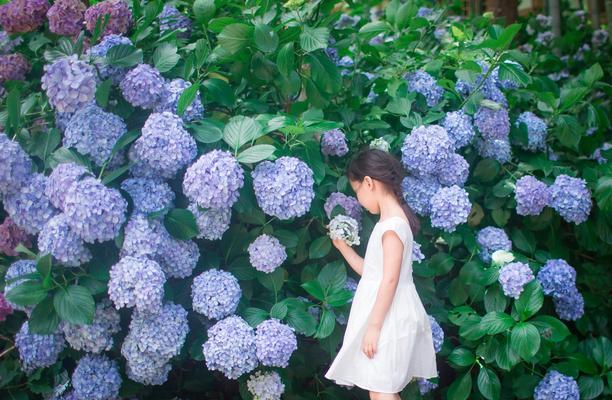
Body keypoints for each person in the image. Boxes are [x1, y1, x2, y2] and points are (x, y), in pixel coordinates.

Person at [324, 148, 438, 400]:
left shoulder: (392, 226)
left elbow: (390, 279)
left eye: (357, 192)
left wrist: (373, 327)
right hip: (389, 313)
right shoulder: (390, 222)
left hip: (390, 318)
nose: (360, 200)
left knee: (381, 391)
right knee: (379, 390)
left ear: (369, 182)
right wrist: (343, 248)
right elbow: (373, 273)